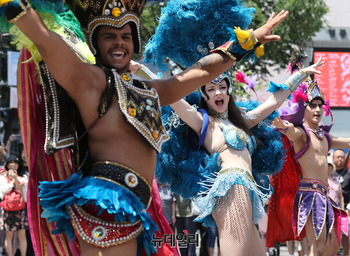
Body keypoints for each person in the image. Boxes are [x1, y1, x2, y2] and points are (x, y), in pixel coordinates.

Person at [0, 0, 289, 255]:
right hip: (107, 200)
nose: (119, 42)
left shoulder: (150, 91)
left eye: (125, 36)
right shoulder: (92, 82)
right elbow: (46, 40)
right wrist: (17, 9)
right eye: (109, 36)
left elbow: (199, 72)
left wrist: (246, 41)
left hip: (138, 205)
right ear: (95, 44)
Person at [164, 58, 324, 256]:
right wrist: (151, 73)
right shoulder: (203, 122)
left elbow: (274, 101)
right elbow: (172, 96)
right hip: (231, 187)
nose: (218, 92)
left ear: (229, 91)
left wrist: (301, 74)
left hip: (246, 190)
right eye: (211, 89)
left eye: (222, 86)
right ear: (204, 95)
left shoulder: (242, 121)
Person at [272, 80, 350, 256]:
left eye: (320, 106)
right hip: (310, 195)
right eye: (312, 105)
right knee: (318, 245)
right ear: (303, 108)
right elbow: (292, 133)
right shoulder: (303, 133)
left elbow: (347, 141)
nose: (317, 110)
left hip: (325, 195)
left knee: (332, 246)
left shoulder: (325, 137)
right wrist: (284, 127)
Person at [0, 156, 28, 256]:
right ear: (7, 165)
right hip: (8, 209)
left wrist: (16, 179)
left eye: (15, 163)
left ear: (18, 165)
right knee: (9, 234)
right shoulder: (2, 178)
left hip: (20, 209)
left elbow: (24, 193)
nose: (13, 165)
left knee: (22, 234)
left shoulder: (23, 177)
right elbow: (2, 193)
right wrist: (12, 181)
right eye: (10, 163)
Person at [332, 149, 350, 256]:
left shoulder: (348, 173)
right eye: (338, 157)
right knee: (332, 234)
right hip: (331, 208)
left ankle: (346, 254)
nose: (340, 159)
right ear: (333, 158)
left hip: (345, 209)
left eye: (342, 157)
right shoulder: (329, 172)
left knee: (345, 233)